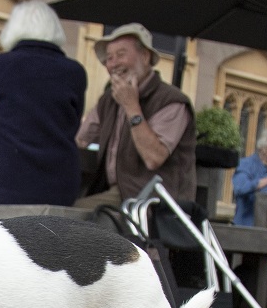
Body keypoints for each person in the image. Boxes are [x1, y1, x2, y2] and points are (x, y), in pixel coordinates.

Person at [0, 2, 86, 212]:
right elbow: (73, 124)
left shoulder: (1, 65)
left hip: (7, 185)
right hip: (61, 190)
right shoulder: (75, 72)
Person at [74, 23, 196, 209]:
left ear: (145, 56)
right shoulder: (108, 100)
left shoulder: (172, 101)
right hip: (117, 193)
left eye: (121, 55)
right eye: (109, 58)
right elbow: (80, 140)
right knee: (59, 208)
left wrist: (131, 106)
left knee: (67, 217)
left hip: (154, 201)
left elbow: (153, 157)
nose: (113, 64)